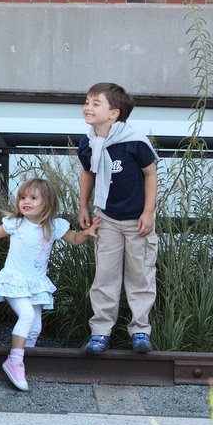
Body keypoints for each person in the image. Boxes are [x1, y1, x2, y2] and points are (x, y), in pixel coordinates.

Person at [0, 178, 101, 391]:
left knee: (36, 328)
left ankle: (23, 360)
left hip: (36, 285)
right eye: (23, 197)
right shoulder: (17, 223)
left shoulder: (54, 226)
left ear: (47, 203)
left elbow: (75, 240)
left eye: (33, 198)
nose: (25, 201)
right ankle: (15, 361)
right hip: (14, 281)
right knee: (27, 316)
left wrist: (87, 232)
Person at [77, 83, 160, 355]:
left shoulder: (134, 141)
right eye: (87, 102)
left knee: (140, 277)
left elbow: (150, 174)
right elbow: (88, 173)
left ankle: (140, 331)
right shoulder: (88, 142)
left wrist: (148, 212)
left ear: (114, 113)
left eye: (95, 103)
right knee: (105, 277)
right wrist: (84, 207)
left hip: (137, 221)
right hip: (107, 218)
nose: (88, 107)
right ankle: (100, 332)